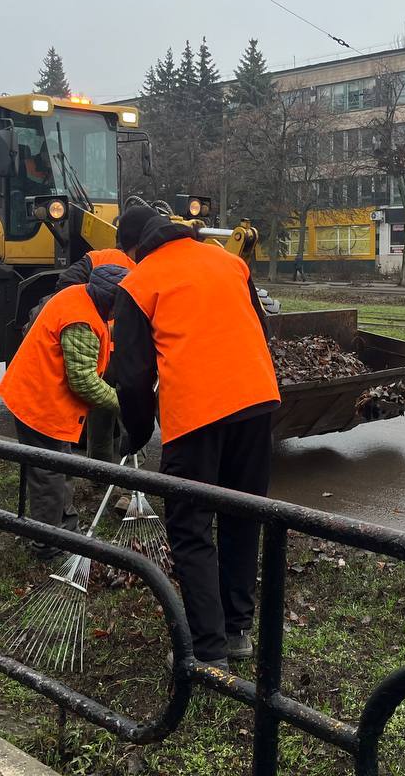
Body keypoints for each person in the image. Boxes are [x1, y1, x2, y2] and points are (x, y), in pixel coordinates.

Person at [112, 207, 280, 671]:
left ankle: (207, 652)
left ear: (133, 248)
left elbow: (131, 376)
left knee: (190, 528)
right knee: (243, 515)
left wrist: (137, 432)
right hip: (257, 401)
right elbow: (259, 331)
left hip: (198, 416)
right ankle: (236, 631)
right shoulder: (228, 262)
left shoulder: (140, 282)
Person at [0, 263, 129, 558]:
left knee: (59, 467)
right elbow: (83, 382)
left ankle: (65, 532)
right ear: (111, 300)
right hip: (39, 403)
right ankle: (46, 544)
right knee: (49, 474)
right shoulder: (81, 319)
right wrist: (125, 404)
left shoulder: (81, 298)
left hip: (40, 397)